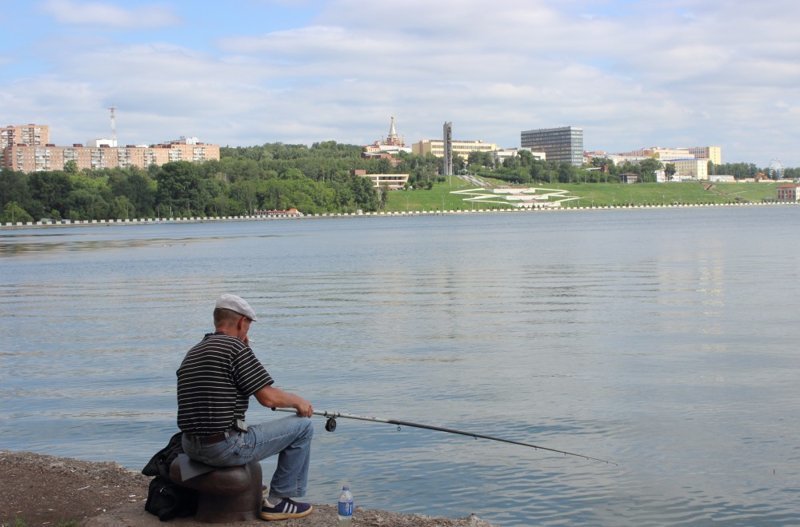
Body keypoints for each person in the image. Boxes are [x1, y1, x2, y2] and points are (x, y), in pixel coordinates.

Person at [177, 293, 315, 521]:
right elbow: (268, 398)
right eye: (249, 324)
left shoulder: (194, 351)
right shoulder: (234, 348)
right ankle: (279, 501)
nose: (248, 330)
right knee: (303, 427)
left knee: (247, 431)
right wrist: (298, 401)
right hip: (222, 448)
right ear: (242, 321)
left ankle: (254, 490)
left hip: (190, 445)